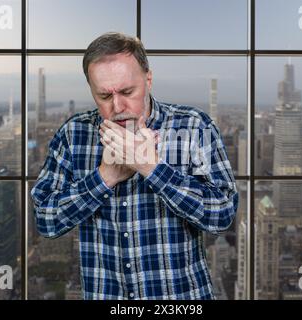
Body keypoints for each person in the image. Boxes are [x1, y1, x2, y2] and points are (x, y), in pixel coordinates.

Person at [30, 32, 239, 300]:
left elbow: (222, 216)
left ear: (148, 80)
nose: (117, 106)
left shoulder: (194, 127)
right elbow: (46, 221)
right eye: (104, 96)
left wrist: (152, 168)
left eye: (128, 92)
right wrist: (104, 177)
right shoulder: (73, 134)